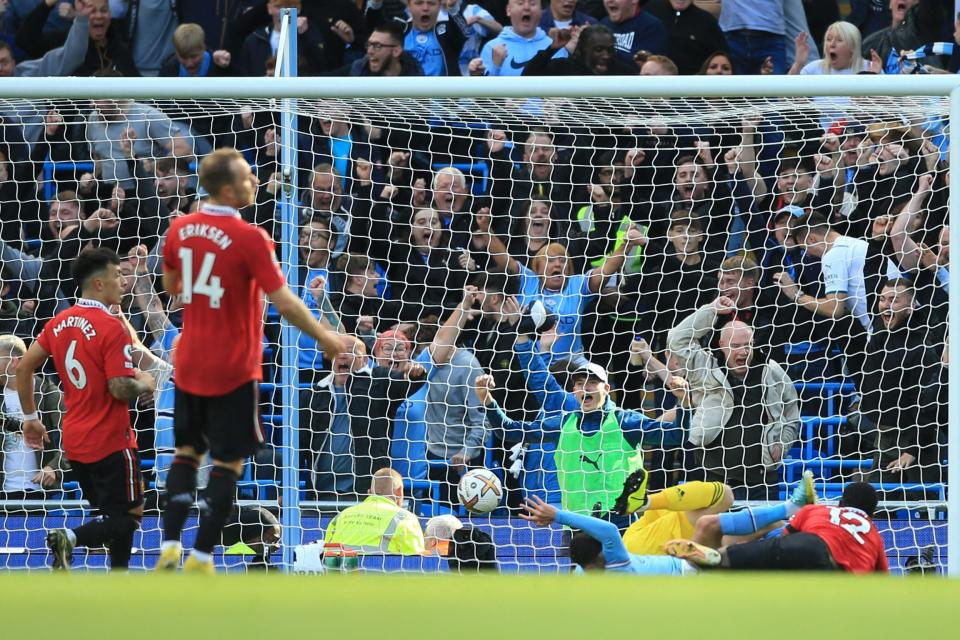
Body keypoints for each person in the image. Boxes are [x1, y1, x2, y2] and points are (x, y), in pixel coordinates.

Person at [156, 148, 344, 574]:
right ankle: (202, 556)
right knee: (227, 463)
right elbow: (285, 302)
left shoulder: (180, 229)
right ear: (227, 188)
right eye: (247, 177)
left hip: (190, 358)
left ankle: (169, 544)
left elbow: (172, 286)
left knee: (185, 455)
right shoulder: (251, 238)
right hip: (234, 365)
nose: (255, 182)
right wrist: (325, 336)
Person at [17, 248, 157, 570]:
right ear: (98, 284)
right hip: (111, 440)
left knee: (112, 516)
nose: (123, 281)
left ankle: (117, 582)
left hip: (76, 443)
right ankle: (70, 537)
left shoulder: (59, 322)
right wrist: (146, 382)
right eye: (118, 275)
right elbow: (119, 388)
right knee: (130, 516)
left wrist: (31, 419)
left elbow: (24, 367)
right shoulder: (111, 327)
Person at [477, 310, 685, 520]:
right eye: (579, 383)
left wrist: (684, 403)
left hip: (621, 525)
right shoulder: (564, 422)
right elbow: (509, 430)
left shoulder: (625, 422)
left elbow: (677, 435)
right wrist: (487, 399)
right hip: (575, 523)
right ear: (574, 389)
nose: (585, 388)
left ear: (606, 388)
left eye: (592, 383)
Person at [667, 297, 801, 499]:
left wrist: (783, 443)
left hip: (761, 481)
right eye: (736, 345)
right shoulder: (705, 368)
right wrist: (711, 310)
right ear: (721, 345)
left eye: (748, 345)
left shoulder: (771, 371)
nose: (743, 352)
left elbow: (792, 413)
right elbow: (677, 339)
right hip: (712, 477)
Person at [666, 482, 889, 573]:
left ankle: (719, 557)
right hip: (833, 569)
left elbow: (784, 539)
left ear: (841, 503)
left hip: (802, 543)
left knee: (752, 553)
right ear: (872, 514)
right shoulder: (873, 535)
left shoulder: (820, 511)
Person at [860, 279, 941, 481]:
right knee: (881, 505)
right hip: (882, 438)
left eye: (894, 300)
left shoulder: (922, 347)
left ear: (912, 305)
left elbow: (929, 403)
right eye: (882, 299)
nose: (886, 305)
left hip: (914, 443)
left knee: (920, 506)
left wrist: (912, 450)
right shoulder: (879, 337)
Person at [520, 495, 696, 574]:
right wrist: (557, 515)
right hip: (682, 571)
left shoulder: (582, 574)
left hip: (675, 564)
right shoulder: (617, 564)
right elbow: (609, 531)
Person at [0, 334, 63, 501]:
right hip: (2, 493)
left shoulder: (49, 392)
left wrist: (54, 467)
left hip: (37, 493)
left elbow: (75, 436)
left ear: (13, 362)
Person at [324, 467, 426, 555]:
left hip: (340, 575)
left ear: (369, 492)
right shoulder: (405, 518)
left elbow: (326, 552)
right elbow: (416, 562)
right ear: (399, 491)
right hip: (381, 575)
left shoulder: (341, 516)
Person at [478, 0, 567, 76]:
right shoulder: (492, 47)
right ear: (508, 10)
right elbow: (482, 92)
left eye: (532, 4)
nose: (526, 7)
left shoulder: (554, 47)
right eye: (520, 3)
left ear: (541, 12)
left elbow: (564, 89)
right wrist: (495, 66)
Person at [646, 0, 726, 75]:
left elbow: (721, 56)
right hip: (652, 82)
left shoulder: (707, 22)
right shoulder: (650, 13)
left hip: (692, 84)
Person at [788, 21, 875, 75]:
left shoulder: (870, 68)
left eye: (839, 40)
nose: (832, 44)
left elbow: (885, 102)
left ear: (853, 46)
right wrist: (798, 63)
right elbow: (785, 98)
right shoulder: (813, 68)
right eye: (829, 39)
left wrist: (874, 76)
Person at [601, 0, 668, 63]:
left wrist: (608, 51)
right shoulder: (603, 24)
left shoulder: (652, 27)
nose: (610, 0)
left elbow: (643, 63)